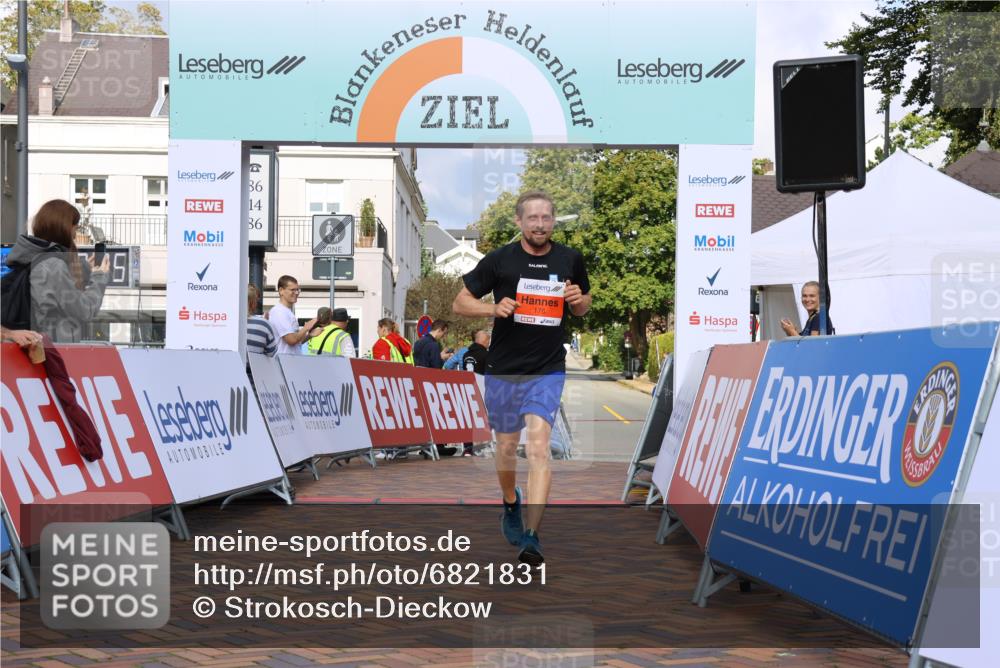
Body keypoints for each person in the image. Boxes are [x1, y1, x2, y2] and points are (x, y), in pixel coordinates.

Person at [453, 190, 591, 565]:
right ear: (519, 222)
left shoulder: (569, 258)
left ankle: (531, 536)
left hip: (547, 369)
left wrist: (578, 299)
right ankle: (510, 501)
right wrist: (492, 307)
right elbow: (459, 302)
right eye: (533, 218)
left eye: (547, 218)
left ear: (553, 220)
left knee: (540, 448)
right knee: (506, 449)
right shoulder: (499, 260)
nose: (540, 224)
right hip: (504, 370)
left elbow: (582, 306)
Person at [4, 199, 110, 343]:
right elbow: (84, 310)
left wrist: (84, 270)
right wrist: (99, 278)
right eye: (75, 228)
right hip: (51, 351)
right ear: (64, 228)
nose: (75, 235)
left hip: (35, 347)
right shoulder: (52, 265)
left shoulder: (32, 258)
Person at [371, 318, 415, 460]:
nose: (377, 331)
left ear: (384, 328)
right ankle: (401, 451)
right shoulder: (405, 342)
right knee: (401, 420)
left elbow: (382, 368)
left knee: (388, 419)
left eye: (378, 328)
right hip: (406, 385)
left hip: (389, 386)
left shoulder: (382, 343)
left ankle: (387, 450)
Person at [456, 329, 491, 456]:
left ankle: (467, 447)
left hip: (467, 390)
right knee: (483, 419)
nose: (489, 343)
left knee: (469, 418)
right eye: (488, 341)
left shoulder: (466, 355)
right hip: (482, 391)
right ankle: (481, 446)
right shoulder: (487, 355)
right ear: (483, 341)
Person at [269, 275, 318, 355]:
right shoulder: (279, 311)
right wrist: (306, 328)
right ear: (281, 290)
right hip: (284, 363)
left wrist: (309, 335)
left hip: (289, 362)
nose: (296, 293)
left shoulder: (286, 311)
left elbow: (296, 343)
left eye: (297, 290)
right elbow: (291, 340)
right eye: (292, 290)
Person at [246, 284, 277, 357]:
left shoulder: (224, 322)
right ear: (253, 303)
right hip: (254, 368)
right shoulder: (263, 324)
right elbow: (271, 352)